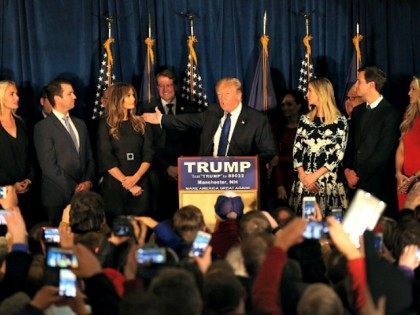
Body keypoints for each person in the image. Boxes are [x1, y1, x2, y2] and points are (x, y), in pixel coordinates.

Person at [142, 77, 276, 163]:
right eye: (219, 95)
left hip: (242, 179)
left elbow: (269, 151)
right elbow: (187, 120)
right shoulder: (213, 112)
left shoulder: (257, 119)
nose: (222, 99)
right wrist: (162, 119)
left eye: (227, 94)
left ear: (239, 95)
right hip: (210, 177)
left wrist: (248, 165)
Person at [34, 79, 95, 226]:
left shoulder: (80, 124)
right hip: (57, 198)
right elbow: (49, 166)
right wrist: (74, 188)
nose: (75, 96)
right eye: (70, 93)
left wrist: (88, 182)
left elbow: (89, 158)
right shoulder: (43, 127)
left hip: (84, 196)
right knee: (58, 242)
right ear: (57, 98)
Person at [142, 69, 198, 220]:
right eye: (161, 85)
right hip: (159, 172)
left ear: (176, 86)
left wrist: (182, 166)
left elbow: (195, 142)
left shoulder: (191, 109)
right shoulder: (147, 110)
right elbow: (148, 145)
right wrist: (167, 167)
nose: (165, 89)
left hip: (186, 171)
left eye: (168, 85)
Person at [344, 66, 400, 213]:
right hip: (353, 185)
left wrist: (358, 175)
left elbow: (383, 153)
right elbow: (350, 145)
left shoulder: (390, 114)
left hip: (376, 187)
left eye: (359, 81)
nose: (356, 85)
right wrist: (347, 170)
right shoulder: (357, 111)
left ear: (371, 85)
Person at [289, 77, 348, 215]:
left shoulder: (340, 121)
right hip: (304, 184)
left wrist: (313, 177)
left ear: (321, 93)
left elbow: (337, 154)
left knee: (329, 229)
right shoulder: (305, 120)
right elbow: (297, 149)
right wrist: (304, 176)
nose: (306, 95)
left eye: (310, 91)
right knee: (307, 229)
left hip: (328, 186)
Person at [97, 82, 153, 224]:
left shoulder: (141, 123)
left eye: (133, 95)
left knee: (140, 229)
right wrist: (126, 182)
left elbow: (148, 153)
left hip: (141, 184)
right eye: (128, 95)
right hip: (115, 187)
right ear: (118, 99)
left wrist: (136, 178)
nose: (133, 98)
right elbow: (106, 157)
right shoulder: (105, 124)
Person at [0, 80, 35, 225]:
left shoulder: (21, 123)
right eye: (12, 94)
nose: (17, 98)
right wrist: (9, 188)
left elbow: (30, 156)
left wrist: (29, 179)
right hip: (3, 198)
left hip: (26, 194)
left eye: (17, 94)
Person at [272, 90, 305, 205]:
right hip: (285, 178)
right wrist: (279, 185)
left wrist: (280, 159)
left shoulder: (308, 127)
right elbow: (275, 161)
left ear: (299, 105)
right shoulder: (277, 129)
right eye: (283, 105)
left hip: (305, 178)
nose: (285, 107)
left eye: (289, 104)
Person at [395, 76, 420, 210]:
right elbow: (401, 147)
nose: (409, 93)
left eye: (413, 89)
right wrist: (398, 173)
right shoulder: (409, 115)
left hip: (416, 182)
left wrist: (415, 178)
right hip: (404, 181)